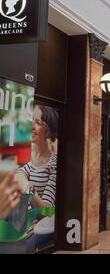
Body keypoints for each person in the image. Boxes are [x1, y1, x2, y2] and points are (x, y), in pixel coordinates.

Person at [18, 105, 58, 252]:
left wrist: (29, 188)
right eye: (31, 120)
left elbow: (45, 213)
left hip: (36, 231)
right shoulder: (23, 156)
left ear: (49, 132)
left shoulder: (54, 164)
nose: (32, 126)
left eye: (38, 123)